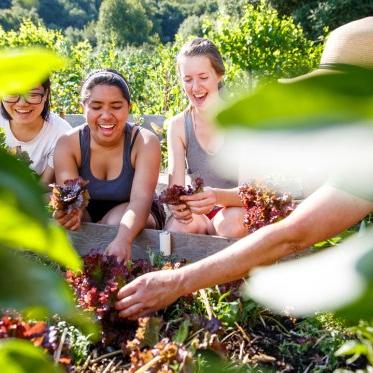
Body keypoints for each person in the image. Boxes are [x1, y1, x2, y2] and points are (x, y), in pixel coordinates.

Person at [115, 17, 373, 318]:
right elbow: (294, 231)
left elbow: (292, 233)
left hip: (232, 212)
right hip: (207, 216)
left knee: (231, 224)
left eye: (340, 96)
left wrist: (177, 281)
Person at [53, 69, 165, 262]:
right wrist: (71, 213)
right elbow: (71, 198)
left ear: (128, 107)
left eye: (115, 106)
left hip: (138, 215)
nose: (106, 115)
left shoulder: (145, 142)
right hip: (88, 214)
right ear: (83, 108)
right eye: (96, 107)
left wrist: (123, 239)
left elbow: (141, 200)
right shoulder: (68, 143)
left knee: (114, 223)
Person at [165, 38, 248, 238]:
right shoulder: (178, 126)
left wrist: (216, 196)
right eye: (187, 79)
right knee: (179, 227)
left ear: (219, 75)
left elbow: (249, 192)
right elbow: (174, 191)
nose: (195, 87)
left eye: (203, 77)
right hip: (199, 213)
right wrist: (178, 206)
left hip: (233, 209)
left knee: (233, 224)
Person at [0, 78, 71, 185]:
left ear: (46, 94)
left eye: (32, 95)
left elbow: (43, 187)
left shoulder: (61, 134)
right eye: (12, 93)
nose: (22, 103)